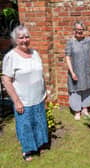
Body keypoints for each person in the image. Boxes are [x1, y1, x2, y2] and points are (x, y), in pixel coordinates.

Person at [1, 25, 48, 161]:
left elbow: (41, 74)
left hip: (38, 97)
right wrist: (16, 101)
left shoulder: (35, 53)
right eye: (21, 37)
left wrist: (44, 91)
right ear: (15, 40)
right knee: (25, 125)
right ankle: (27, 151)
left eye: (27, 37)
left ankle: (39, 144)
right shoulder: (11, 57)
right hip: (23, 99)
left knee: (39, 122)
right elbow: (6, 80)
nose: (24, 40)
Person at [65, 17, 90, 120]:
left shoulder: (88, 40)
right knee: (76, 91)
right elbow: (68, 57)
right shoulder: (70, 42)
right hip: (75, 71)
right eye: (77, 30)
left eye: (81, 30)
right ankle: (77, 111)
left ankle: (85, 109)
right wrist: (72, 72)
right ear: (74, 30)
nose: (79, 32)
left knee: (87, 89)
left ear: (84, 31)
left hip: (86, 71)